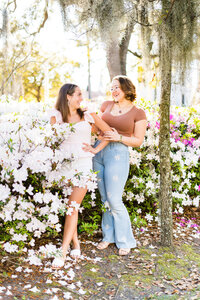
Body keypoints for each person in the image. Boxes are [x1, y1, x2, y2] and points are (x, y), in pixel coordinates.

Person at [49, 83, 111, 269]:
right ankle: (76, 244)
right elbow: (50, 141)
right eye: (78, 94)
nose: (81, 98)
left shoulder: (88, 115)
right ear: (67, 96)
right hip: (64, 166)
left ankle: (62, 252)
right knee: (71, 208)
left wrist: (95, 149)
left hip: (83, 165)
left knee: (72, 207)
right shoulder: (56, 116)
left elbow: (107, 133)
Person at [93, 75, 147, 256]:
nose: (113, 91)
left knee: (114, 199)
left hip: (118, 153)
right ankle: (108, 237)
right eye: (112, 88)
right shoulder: (105, 105)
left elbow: (138, 141)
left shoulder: (138, 113)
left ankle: (125, 240)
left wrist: (119, 138)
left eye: (116, 87)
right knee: (104, 199)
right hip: (98, 152)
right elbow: (98, 129)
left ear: (126, 89)